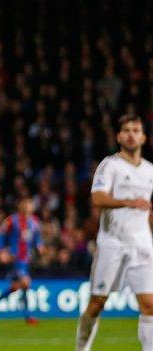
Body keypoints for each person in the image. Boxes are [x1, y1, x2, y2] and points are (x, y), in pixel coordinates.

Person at [76, 114, 153, 351]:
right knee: (97, 303)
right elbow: (97, 198)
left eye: (136, 130)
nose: (131, 134)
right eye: (127, 130)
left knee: (149, 305)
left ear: (143, 137)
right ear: (119, 136)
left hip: (142, 245)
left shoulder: (150, 170)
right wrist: (127, 202)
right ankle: (81, 349)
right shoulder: (110, 165)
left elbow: (147, 210)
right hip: (112, 244)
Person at [0, 195, 44, 325]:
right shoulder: (12, 220)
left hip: (26, 259)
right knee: (26, 283)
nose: (28, 206)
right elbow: (0, 236)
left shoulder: (34, 222)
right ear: (20, 206)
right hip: (14, 257)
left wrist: (40, 246)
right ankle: (28, 315)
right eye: (25, 204)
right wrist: (2, 252)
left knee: (16, 287)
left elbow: (37, 238)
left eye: (30, 204)